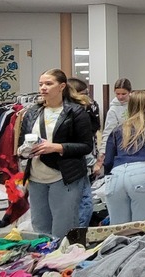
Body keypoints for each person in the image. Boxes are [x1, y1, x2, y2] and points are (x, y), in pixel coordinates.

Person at [20, 69, 95, 237]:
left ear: (61, 86)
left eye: (48, 84)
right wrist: (24, 150)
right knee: (40, 227)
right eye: (41, 84)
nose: (43, 88)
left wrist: (56, 147)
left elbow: (86, 146)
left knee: (64, 227)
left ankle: (67, 260)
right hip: (36, 176)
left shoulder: (76, 112)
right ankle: (44, 260)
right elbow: (22, 142)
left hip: (64, 175)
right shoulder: (32, 113)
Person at [102, 90, 145, 223]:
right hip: (143, 173)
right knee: (143, 229)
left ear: (129, 106)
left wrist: (109, 175)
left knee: (118, 230)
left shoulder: (118, 130)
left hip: (117, 175)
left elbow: (108, 161)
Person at [67, 77, 99, 227]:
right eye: (85, 93)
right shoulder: (77, 114)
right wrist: (92, 162)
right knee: (84, 203)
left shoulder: (75, 112)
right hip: (76, 166)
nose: (88, 97)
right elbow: (81, 143)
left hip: (75, 165)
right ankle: (77, 238)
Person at [98, 78, 132, 170]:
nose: (120, 97)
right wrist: (103, 151)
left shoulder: (135, 104)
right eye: (118, 94)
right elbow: (108, 131)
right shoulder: (113, 110)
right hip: (120, 146)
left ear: (130, 92)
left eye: (123, 94)